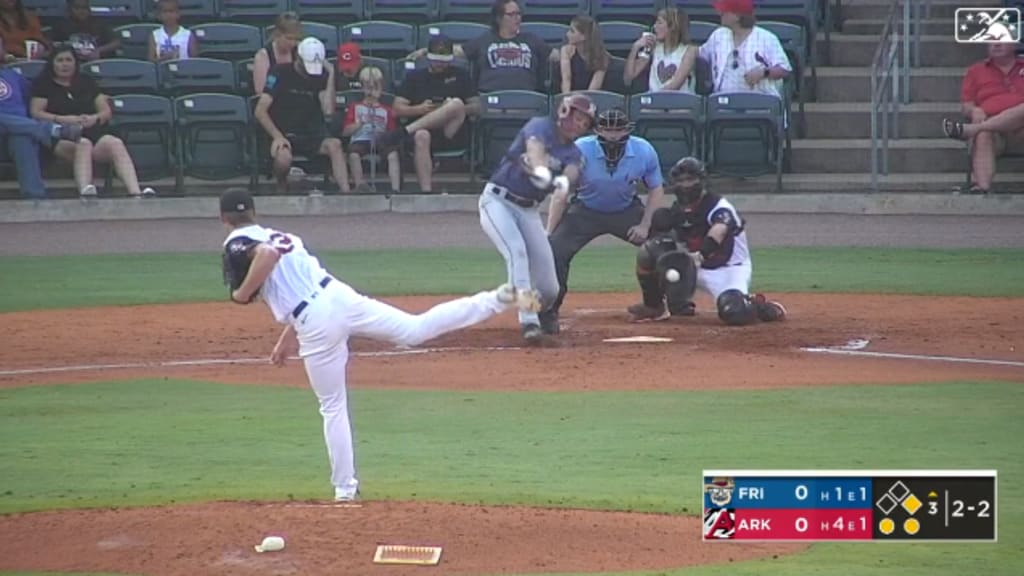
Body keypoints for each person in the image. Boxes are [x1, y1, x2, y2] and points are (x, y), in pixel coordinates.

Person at [218, 187, 540, 501]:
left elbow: (267, 258)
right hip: (339, 296)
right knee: (414, 329)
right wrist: (286, 338)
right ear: (255, 212)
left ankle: (345, 489)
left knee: (332, 406)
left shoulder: (240, 242)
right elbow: (298, 280)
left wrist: (241, 294)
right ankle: (498, 298)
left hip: (315, 321)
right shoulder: (282, 235)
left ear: (224, 218)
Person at [538, 107, 665, 335]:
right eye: (607, 129)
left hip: (626, 209)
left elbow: (656, 188)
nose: (613, 135)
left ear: (628, 130)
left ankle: (659, 303)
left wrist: (645, 225)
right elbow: (561, 193)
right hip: (585, 210)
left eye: (618, 130)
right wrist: (550, 232)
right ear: (597, 130)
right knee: (555, 252)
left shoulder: (644, 150)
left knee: (663, 245)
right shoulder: (579, 150)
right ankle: (549, 312)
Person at [478, 93, 593, 343]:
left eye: (585, 123)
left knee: (550, 289)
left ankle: (515, 296)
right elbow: (535, 150)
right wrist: (542, 171)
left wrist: (559, 182)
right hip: (498, 201)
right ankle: (529, 323)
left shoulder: (574, 153)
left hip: (529, 211)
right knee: (516, 253)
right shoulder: (540, 126)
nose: (580, 125)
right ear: (564, 112)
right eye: (578, 118)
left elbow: (571, 176)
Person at [627, 156, 786, 325]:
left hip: (729, 269)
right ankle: (655, 306)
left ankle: (758, 306)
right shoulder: (677, 210)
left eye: (690, 179)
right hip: (696, 268)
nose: (685, 185)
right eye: (680, 180)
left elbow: (718, 231)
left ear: (701, 181)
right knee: (649, 250)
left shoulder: (719, 206)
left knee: (733, 312)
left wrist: (700, 255)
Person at [30, 45, 156, 197]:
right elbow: (36, 113)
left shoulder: (86, 81)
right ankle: (86, 190)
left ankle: (136, 191)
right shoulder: (43, 84)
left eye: (69, 60)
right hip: (59, 133)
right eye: (60, 60)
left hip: (90, 130)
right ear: (52, 63)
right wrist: (64, 119)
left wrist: (94, 118)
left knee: (114, 142)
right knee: (83, 144)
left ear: (76, 63)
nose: (65, 64)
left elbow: (105, 110)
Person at [254, 37, 351, 194]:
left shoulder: (320, 76)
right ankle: (281, 185)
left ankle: (346, 193)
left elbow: (328, 110)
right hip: (283, 132)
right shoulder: (279, 72)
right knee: (283, 157)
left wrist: (332, 74)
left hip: (310, 134)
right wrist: (277, 136)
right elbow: (260, 110)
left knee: (335, 145)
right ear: (298, 58)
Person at [384, 34, 479, 193]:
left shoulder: (461, 75)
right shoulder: (415, 77)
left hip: (451, 130)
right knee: (421, 135)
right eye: (436, 60)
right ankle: (426, 192)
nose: (440, 64)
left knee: (455, 103)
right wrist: (419, 109)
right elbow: (397, 108)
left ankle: (404, 131)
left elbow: (477, 106)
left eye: (443, 60)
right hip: (423, 129)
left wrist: (450, 109)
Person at [0, 37, 82, 198]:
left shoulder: (12, 75)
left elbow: (32, 97)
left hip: (16, 130)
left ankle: (35, 197)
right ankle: (51, 130)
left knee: (22, 137)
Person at [944, 42, 1024, 195]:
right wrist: (974, 110)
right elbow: (966, 105)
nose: (996, 44)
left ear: (1014, 45)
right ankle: (983, 188)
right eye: (992, 40)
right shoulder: (976, 71)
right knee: (984, 133)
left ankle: (973, 129)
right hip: (996, 135)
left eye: (1001, 39)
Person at [699, 0, 791, 99]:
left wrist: (764, 72)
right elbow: (699, 54)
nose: (719, 13)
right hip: (722, 102)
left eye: (724, 10)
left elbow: (784, 70)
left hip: (760, 101)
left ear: (737, 16)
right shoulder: (718, 35)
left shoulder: (766, 38)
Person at [341, 66, 401, 194]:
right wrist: (359, 123)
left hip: (380, 139)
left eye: (375, 86)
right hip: (360, 139)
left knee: (393, 154)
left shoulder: (386, 110)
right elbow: (345, 131)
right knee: (353, 154)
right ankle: (360, 186)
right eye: (368, 86)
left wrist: (384, 134)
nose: (372, 90)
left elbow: (392, 133)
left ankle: (396, 189)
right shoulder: (355, 107)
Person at [625, 7, 697, 93]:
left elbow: (675, 85)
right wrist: (635, 47)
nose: (655, 26)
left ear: (672, 27)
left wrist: (654, 97)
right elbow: (628, 78)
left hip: (679, 103)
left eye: (659, 23)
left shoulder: (690, 51)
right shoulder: (653, 46)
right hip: (653, 103)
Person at [48, 0, 119, 61]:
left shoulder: (99, 23)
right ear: (69, 9)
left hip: (96, 61)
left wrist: (98, 51)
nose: (81, 11)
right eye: (77, 8)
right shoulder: (61, 25)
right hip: (70, 62)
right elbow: (50, 43)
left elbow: (116, 43)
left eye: (84, 8)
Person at [252, 11, 301, 94]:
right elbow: (260, 90)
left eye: (296, 39)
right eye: (289, 38)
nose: (292, 43)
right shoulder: (263, 55)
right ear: (277, 34)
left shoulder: (300, 51)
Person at [559, 15, 609, 93]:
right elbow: (566, 80)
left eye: (572, 31)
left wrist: (583, 103)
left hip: (591, 98)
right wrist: (567, 100)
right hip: (571, 97)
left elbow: (594, 89)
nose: (567, 34)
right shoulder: (566, 51)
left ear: (583, 36)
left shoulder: (602, 56)